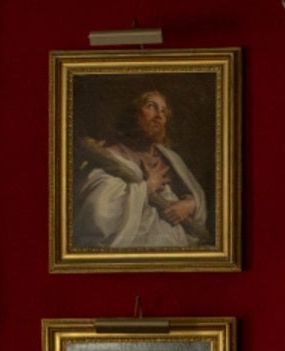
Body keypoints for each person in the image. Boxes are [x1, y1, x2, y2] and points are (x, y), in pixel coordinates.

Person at [73, 87, 210, 249]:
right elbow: (96, 209)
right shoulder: (109, 157)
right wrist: (147, 187)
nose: (159, 115)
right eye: (151, 106)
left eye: (164, 111)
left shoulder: (170, 158)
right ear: (133, 113)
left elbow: (195, 196)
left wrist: (189, 205)